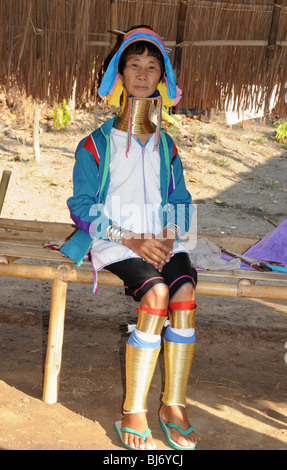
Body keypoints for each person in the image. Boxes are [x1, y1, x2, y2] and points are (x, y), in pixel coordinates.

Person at [61, 25, 200, 451]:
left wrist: (167, 236)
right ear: (119, 76)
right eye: (134, 66)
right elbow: (81, 207)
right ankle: (133, 409)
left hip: (161, 239)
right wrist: (135, 240)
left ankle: (173, 403)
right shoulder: (95, 145)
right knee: (156, 295)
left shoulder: (167, 146)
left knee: (184, 291)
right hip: (113, 241)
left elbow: (180, 198)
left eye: (151, 66)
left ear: (162, 78)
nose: (142, 74)